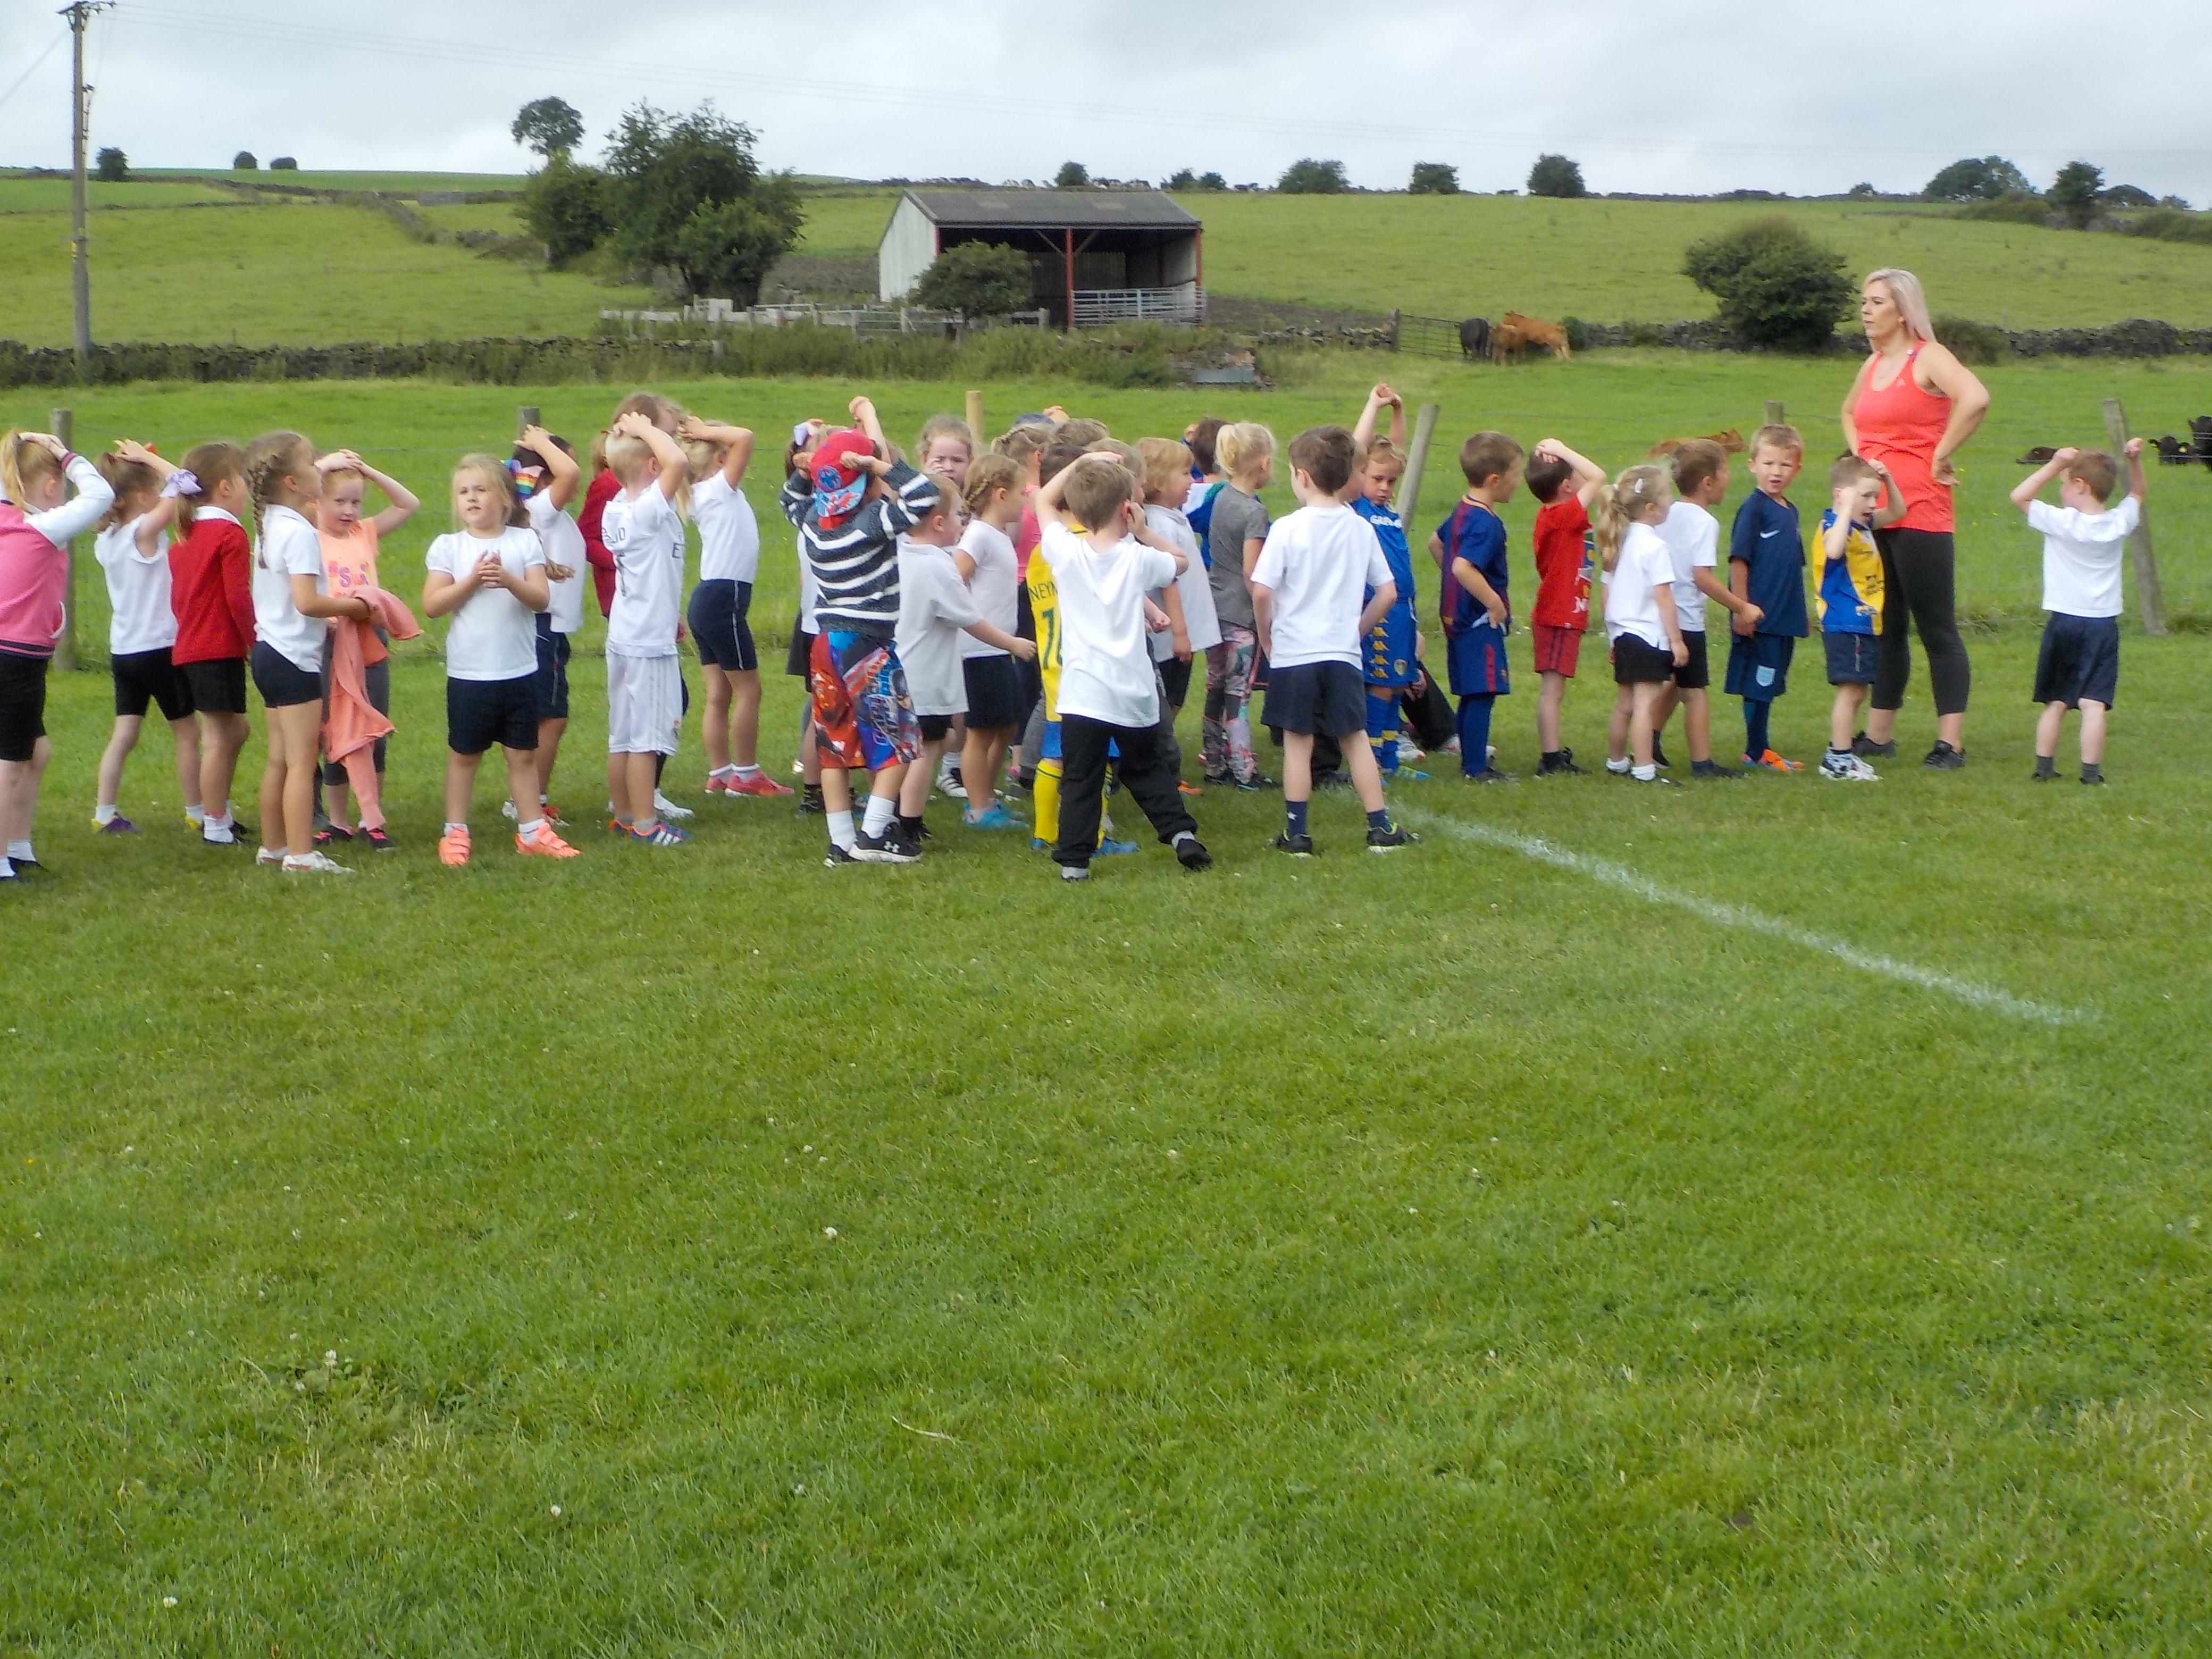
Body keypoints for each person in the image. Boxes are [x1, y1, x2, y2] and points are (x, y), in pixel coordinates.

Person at [1032, 453, 1211, 881]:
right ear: (1127, 508)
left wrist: (1083, 461)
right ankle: (1181, 834)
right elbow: (1181, 562)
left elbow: (1042, 500)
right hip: (1133, 692)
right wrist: (1145, 532)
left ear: (1077, 510)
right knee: (1146, 769)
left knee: (1081, 778)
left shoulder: (1065, 552)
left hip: (1082, 695)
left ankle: (1074, 862)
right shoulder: (1138, 558)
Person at [1841, 267, 1991, 769]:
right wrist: (1861, 459)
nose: (1866, 310)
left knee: (1936, 629)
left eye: (1877, 302)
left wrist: (1941, 453)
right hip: (1876, 515)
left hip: (1923, 509)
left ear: (1903, 311)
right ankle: (1878, 736)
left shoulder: (1928, 357)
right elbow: (1849, 414)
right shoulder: (1872, 364)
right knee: (1886, 626)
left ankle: (1951, 744)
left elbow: (1976, 397)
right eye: (1864, 301)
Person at [781, 395, 938, 866]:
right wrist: (879, 464)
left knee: (834, 744)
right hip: (868, 644)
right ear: (867, 481)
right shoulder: (872, 523)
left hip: (825, 644)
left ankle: (840, 843)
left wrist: (805, 472)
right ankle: (873, 836)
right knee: (898, 739)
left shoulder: (812, 523)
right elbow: (924, 497)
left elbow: (790, 500)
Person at [1250, 425, 1418, 856]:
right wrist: (1355, 631)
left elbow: (1263, 591)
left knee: (1297, 744)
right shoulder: (1360, 528)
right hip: (1342, 655)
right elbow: (1387, 593)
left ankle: (1297, 834)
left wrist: (1267, 636)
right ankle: (1380, 827)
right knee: (1355, 738)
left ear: (1302, 476)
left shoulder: (1287, 528)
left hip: (1294, 654)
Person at [421, 455, 569, 865]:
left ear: (504, 499)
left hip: (519, 671)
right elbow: (432, 605)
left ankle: (532, 830)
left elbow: (540, 599)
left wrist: (508, 580)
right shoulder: (449, 547)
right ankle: (455, 832)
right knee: (465, 755)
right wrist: (472, 580)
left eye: (481, 490)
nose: (471, 498)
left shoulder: (523, 542)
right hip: (470, 674)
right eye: (463, 491)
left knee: (522, 754)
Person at [244, 431, 372, 876]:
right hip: (293, 659)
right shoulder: (299, 532)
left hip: (267, 652)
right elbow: (307, 602)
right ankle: (301, 855)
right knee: (302, 762)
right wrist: (355, 607)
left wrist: (325, 462)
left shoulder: (270, 520)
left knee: (279, 759)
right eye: (311, 463)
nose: (320, 467)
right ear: (293, 483)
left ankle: (273, 847)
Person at [0, 430, 114, 879]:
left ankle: (19, 846)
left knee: (36, 752)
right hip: (17, 660)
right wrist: (66, 455)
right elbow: (101, 495)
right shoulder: (42, 525)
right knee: (10, 762)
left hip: (17, 658)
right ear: (51, 487)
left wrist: (19, 447)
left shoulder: (8, 516)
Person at [894, 486, 1035, 843]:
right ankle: (908, 822)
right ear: (939, 523)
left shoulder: (901, 553)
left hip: (905, 669)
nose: (964, 522)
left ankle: (897, 813)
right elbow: (969, 618)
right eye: (959, 514)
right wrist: (1012, 643)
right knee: (928, 749)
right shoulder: (936, 565)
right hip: (926, 676)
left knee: (933, 742)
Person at [2010, 441, 2144, 785]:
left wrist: (2055, 464)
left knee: (2056, 701)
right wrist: (2134, 461)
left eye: (2064, 484)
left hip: (2064, 622)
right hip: (2102, 624)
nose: (2061, 491)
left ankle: (2044, 769)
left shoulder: (2061, 522)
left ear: (2080, 486)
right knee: (2094, 704)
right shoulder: (2118, 523)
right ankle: (2090, 775)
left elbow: (2019, 497)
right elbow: (2138, 494)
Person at [90, 441, 199, 836]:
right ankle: (198, 812)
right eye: (154, 488)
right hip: (160, 648)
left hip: (124, 651)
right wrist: (150, 457)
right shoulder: (143, 531)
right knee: (187, 733)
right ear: (141, 496)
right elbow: (186, 483)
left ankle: (104, 812)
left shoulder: (106, 540)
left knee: (124, 734)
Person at [311, 447, 418, 844]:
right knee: (336, 731)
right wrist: (323, 468)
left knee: (372, 729)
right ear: (316, 500)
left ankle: (372, 819)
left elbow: (408, 504)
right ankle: (338, 820)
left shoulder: (364, 533)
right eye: (339, 501)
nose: (349, 511)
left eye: (355, 502)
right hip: (328, 644)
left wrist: (367, 471)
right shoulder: (308, 535)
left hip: (369, 641)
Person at [677, 414, 786, 801]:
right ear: (721, 459)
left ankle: (721, 773)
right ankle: (745, 774)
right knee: (749, 690)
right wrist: (705, 432)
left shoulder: (702, 493)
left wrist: (703, 435)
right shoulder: (719, 489)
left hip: (706, 599)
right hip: (725, 598)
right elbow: (746, 436)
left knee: (719, 694)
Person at [600, 411, 692, 848]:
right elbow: (679, 462)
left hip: (626, 633)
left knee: (622, 734)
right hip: (647, 643)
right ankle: (645, 822)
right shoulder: (647, 510)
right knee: (645, 739)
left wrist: (671, 611)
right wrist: (645, 430)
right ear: (653, 466)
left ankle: (623, 816)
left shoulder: (617, 506)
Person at [1647, 439, 1765, 780]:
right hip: (1685, 619)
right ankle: (1703, 763)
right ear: (1707, 483)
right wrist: (1741, 607)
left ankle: (1648, 742)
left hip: (1660, 616)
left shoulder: (1666, 513)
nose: (1730, 477)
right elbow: (1701, 577)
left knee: (1675, 682)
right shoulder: (1704, 522)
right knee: (1695, 693)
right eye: (1725, 471)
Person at [166, 441, 255, 846]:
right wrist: (254, 640)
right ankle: (215, 824)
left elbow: (178, 599)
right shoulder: (229, 533)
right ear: (225, 487)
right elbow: (238, 597)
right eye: (244, 481)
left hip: (190, 648)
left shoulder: (185, 536)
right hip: (217, 649)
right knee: (220, 737)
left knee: (235, 730)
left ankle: (220, 812)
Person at [1432, 430, 1523, 781]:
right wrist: (1493, 602)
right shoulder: (1487, 524)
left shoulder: (1463, 510)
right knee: (1483, 692)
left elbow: (1436, 544)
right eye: (1516, 474)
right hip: (1478, 621)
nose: (1519, 481)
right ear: (1495, 480)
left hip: (1456, 618)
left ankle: (1471, 761)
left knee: (1473, 692)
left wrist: (1454, 585)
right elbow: (1462, 567)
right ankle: (1475, 768)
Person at [510, 425, 586, 821]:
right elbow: (568, 474)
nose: (576, 474)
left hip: (551, 627)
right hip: (546, 627)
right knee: (552, 716)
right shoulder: (542, 509)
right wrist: (540, 442)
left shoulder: (546, 513)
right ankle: (530, 801)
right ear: (543, 476)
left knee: (547, 714)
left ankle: (529, 798)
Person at [1595, 465, 1688, 785]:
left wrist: (1612, 637)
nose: (1671, 501)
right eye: (1667, 496)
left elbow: (1607, 594)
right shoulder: (1655, 547)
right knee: (1645, 706)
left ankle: (1616, 761)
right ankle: (1645, 770)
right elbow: (1664, 597)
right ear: (1651, 508)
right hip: (1648, 636)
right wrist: (1677, 640)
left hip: (1622, 635)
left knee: (1625, 705)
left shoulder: (1619, 541)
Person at [1137, 436, 1219, 790]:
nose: (1192, 480)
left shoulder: (1173, 517)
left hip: (1180, 635)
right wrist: (1181, 633)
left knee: (1174, 699)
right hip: (1170, 638)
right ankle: (1161, 769)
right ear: (1157, 482)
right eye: (1185, 473)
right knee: (1167, 702)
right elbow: (1167, 579)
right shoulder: (1158, 525)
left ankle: (1160, 765)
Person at [1817, 455, 1905, 782]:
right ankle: (1838, 759)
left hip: (1864, 623)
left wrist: (1888, 480)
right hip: (1845, 623)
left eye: (1874, 496)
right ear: (1841, 495)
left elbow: (1898, 512)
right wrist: (1845, 509)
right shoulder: (1834, 526)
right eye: (1865, 496)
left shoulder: (1863, 526)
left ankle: (1841, 755)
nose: (1872, 504)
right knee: (1851, 691)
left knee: (1858, 691)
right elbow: (1834, 551)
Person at [1726, 424, 1808, 773]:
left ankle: (1762, 748)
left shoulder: (1790, 511)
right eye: (1769, 463)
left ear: (1797, 469)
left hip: (1783, 617)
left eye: (1785, 465)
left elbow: (1791, 566)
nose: (1777, 472)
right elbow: (1739, 560)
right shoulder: (1753, 509)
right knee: (1758, 682)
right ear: (1753, 465)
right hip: (1760, 617)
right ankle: (1755, 751)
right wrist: (1742, 608)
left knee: (1772, 681)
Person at [1350, 386, 1422, 778]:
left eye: (1391, 481)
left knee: (1396, 684)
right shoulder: (1356, 507)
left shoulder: (1387, 507)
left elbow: (1397, 452)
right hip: (1377, 609)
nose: (1384, 487)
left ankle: (1391, 758)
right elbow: (1355, 450)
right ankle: (1374, 760)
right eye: (1377, 479)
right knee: (1379, 684)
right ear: (1359, 474)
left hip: (1403, 610)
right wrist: (1372, 405)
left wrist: (1398, 410)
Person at [1522, 437, 1605, 776]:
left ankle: (1553, 753)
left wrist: (1559, 458)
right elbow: (1598, 477)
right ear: (1566, 487)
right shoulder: (1563, 515)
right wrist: (1563, 450)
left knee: (1555, 690)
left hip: (1563, 614)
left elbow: (1589, 482)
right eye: (1573, 476)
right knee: (1552, 691)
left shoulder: (1558, 513)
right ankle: (1551, 758)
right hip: (1558, 616)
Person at [956, 454, 1029, 828]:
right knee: (981, 733)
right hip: (980, 650)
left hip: (998, 648)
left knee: (1006, 727)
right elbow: (955, 577)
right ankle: (978, 807)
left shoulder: (996, 535)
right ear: (1001, 495)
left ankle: (986, 794)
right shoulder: (979, 535)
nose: (1025, 500)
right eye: (1021, 493)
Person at [1202, 422, 1273, 789]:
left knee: (1215, 685)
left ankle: (1213, 761)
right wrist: (1266, 614)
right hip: (1240, 614)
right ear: (1263, 463)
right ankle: (1245, 769)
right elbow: (1251, 570)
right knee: (1239, 691)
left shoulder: (1221, 497)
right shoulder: (1254, 512)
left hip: (1214, 606)